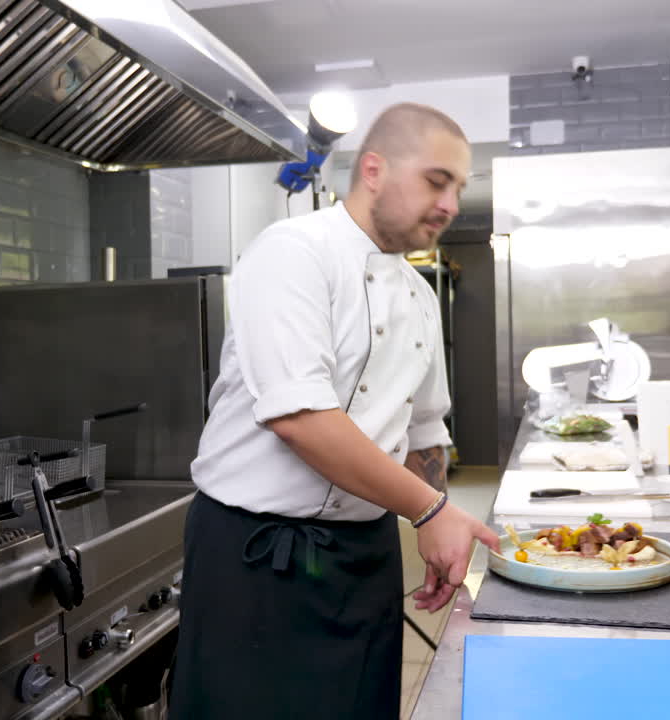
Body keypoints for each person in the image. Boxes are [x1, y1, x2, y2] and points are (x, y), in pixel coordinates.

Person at [170, 102, 500, 719]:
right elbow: (301, 419)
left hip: (363, 555)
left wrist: (431, 532)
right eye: (437, 180)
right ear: (372, 170)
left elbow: (425, 428)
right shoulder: (293, 252)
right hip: (254, 557)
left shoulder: (421, 296)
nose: (451, 203)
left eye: (458, 187)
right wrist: (430, 510)